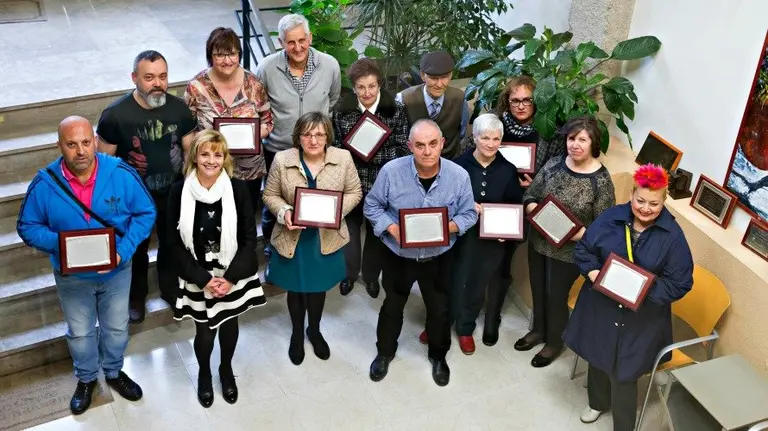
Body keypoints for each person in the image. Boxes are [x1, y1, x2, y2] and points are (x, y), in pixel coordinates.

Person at [17, 116, 155, 414]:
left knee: (117, 328)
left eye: (85, 142)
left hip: (116, 270)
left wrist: (124, 250)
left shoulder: (120, 173)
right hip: (72, 276)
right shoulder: (45, 183)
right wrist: (63, 246)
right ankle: (87, 378)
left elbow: (146, 213)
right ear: (59, 146)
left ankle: (115, 371)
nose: (80, 151)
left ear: (94, 141)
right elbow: (27, 226)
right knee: (80, 332)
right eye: (71, 144)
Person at [565, 164, 694, 431]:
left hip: (641, 317)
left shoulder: (673, 237)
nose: (646, 208)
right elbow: (584, 249)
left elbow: (681, 282)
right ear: (632, 195)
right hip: (601, 304)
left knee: (624, 373)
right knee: (597, 355)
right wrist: (592, 272)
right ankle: (597, 403)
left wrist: (642, 291)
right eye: (640, 201)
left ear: (664, 202)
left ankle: (623, 426)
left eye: (654, 204)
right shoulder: (610, 217)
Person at [364, 119, 477, 386]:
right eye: (420, 145)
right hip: (398, 255)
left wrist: (447, 227)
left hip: (439, 256)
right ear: (410, 146)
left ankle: (438, 357)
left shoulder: (458, 176)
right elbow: (372, 206)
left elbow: (470, 213)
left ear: (442, 144)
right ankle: (384, 353)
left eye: (433, 144)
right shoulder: (391, 172)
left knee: (439, 310)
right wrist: (392, 229)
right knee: (392, 305)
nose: (427, 151)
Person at [167, 130, 266, 408]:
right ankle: (204, 373)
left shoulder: (237, 189)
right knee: (204, 332)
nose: (211, 160)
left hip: (231, 270)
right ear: (195, 157)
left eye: (218, 154)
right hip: (197, 271)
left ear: (225, 159)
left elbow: (249, 237)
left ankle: (225, 369)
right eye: (205, 153)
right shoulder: (179, 191)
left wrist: (231, 278)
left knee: (229, 323)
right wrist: (203, 279)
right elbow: (173, 243)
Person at [97, 50, 197, 322]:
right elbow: (103, 164)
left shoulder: (179, 109)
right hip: (133, 199)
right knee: (136, 247)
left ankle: (170, 289)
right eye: (149, 77)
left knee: (170, 243)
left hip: (172, 192)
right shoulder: (115, 115)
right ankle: (136, 297)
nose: (157, 83)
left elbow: (190, 151)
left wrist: (190, 188)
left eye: (162, 76)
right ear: (134, 78)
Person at [263, 112, 361, 366]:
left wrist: (336, 212)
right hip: (293, 237)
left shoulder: (343, 158)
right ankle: (297, 334)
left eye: (319, 134)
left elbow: (354, 191)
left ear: (328, 135)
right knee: (295, 289)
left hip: (325, 238)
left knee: (318, 288)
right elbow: (270, 195)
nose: (314, 140)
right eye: (307, 134)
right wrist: (284, 212)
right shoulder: (283, 159)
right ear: (298, 137)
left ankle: (314, 331)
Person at [516, 115, 615, 368]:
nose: (575, 145)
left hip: (570, 252)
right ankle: (538, 330)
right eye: (572, 139)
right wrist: (532, 209)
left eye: (583, 139)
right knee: (538, 288)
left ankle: (553, 342)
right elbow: (531, 194)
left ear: (593, 143)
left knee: (555, 295)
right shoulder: (554, 163)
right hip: (539, 241)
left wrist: (576, 234)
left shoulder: (601, 181)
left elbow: (603, 229)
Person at [256, 14, 341, 281]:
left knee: (316, 203)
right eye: (290, 42)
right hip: (279, 150)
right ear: (281, 42)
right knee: (275, 207)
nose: (297, 47)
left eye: (302, 40)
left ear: (310, 38)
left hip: (317, 149)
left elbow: (334, 98)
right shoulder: (267, 68)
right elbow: (260, 105)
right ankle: (274, 254)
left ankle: (312, 255)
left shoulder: (329, 65)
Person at [331, 58, 409, 298]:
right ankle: (349, 274)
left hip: (383, 183)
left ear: (380, 85)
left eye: (372, 86)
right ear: (353, 87)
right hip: (351, 182)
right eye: (361, 87)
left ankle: (372, 276)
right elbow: (335, 147)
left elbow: (404, 149)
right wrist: (352, 152)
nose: (367, 92)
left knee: (378, 232)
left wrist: (372, 151)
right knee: (351, 230)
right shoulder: (341, 112)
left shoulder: (396, 110)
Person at [452, 114, 524, 354]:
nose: (491, 144)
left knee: (476, 284)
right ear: (474, 137)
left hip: (492, 241)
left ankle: (465, 328)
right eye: (485, 138)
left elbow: (515, 204)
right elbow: (444, 199)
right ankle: (440, 323)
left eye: (496, 139)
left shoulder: (508, 169)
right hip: (460, 235)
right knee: (451, 280)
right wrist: (467, 205)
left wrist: (509, 230)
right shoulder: (458, 165)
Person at [185, 27, 274, 215]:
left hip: (249, 170)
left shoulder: (254, 84)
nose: (227, 61)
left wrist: (246, 137)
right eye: (219, 55)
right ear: (210, 55)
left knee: (246, 220)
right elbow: (187, 130)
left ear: (239, 54)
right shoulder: (197, 87)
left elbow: (268, 122)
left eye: (232, 54)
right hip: (210, 168)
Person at [396, 51, 469, 160]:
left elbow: (462, 134)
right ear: (422, 75)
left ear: (451, 75)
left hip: (451, 162)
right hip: (415, 163)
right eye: (434, 78)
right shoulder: (404, 99)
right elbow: (399, 139)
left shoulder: (459, 98)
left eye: (444, 77)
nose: (439, 84)